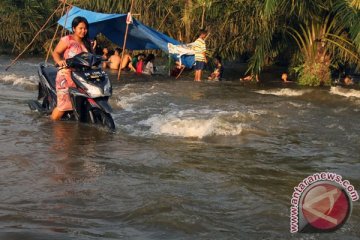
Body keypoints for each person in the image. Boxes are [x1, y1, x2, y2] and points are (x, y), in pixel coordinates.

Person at [51, 16, 92, 121]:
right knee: (64, 106)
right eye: (81, 28)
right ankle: (51, 125)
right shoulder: (67, 40)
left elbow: (91, 59)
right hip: (65, 75)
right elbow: (56, 53)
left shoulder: (87, 43)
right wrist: (60, 62)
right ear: (74, 28)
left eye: (85, 28)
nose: (83, 31)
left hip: (81, 77)